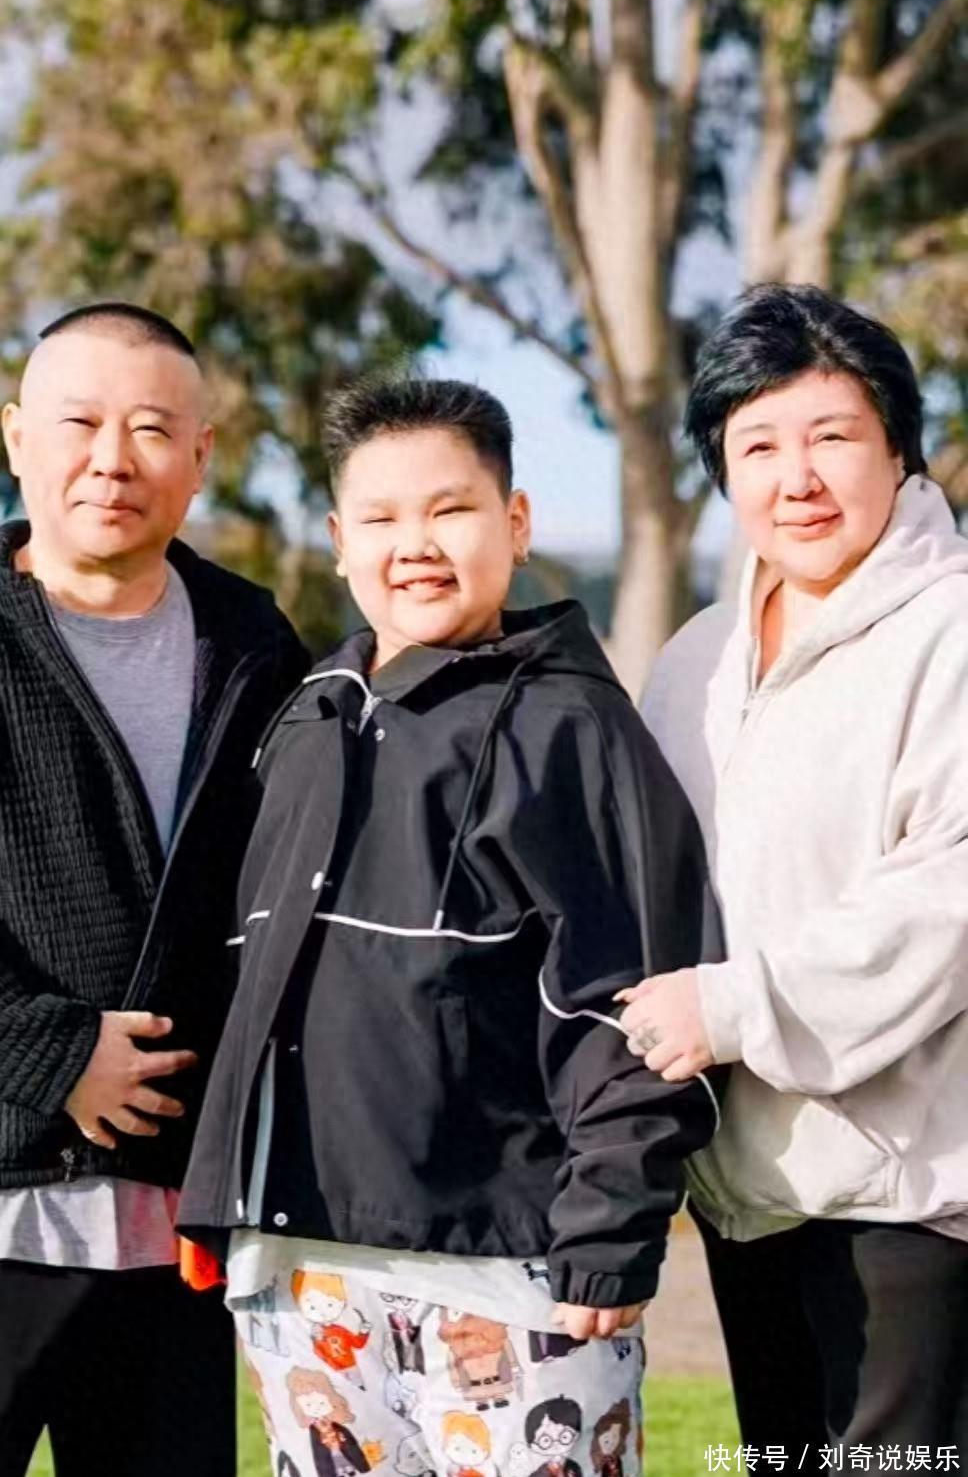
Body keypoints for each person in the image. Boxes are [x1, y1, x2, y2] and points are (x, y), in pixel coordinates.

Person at [178, 378, 722, 1476]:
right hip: (305, 1276)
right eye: (380, 517)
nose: (415, 544)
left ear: (514, 524)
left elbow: (637, 997)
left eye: (450, 509)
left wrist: (609, 1232)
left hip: (516, 1282)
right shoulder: (306, 717)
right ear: (339, 543)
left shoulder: (573, 727)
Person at [621, 284, 968, 1459]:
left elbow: (944, 898)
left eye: (830, 436)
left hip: (912, 1203)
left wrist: (726, 1008)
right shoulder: (696, 657)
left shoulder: (948, 631)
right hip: (746, 1193)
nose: (796, 477)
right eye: (757, 445)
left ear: (896, 448)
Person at [0, 302, 307, 1476]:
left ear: (201, 455)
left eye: (149, 428)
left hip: (173, 1229)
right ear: (16, 436)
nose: (112, 459)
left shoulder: (254, 642)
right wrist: (52, 1052)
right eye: (79, 422)